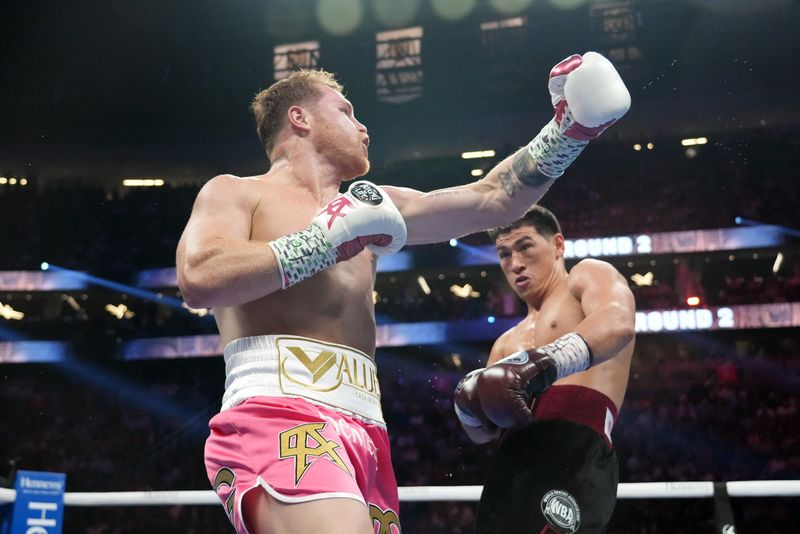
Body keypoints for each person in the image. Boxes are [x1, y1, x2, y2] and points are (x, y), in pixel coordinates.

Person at [176, 51, 630, 534]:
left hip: (367, 428)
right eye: (347, 111)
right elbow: (199, 276)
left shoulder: (373, 205)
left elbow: (492, 198)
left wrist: (569, 131)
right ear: (299, 118)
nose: (363, 126)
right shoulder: (239, 192)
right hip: (277, 409)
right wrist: (320, 242)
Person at [454, 205, 636, 533]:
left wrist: (541, 365)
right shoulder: (505, 343)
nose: (515, 263)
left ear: (558, 245)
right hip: (511, 464)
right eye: (504, 254)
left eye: (525, 247)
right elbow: (485, 435)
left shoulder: (586, 276)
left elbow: (618, 323)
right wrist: (469, 411)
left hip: (575, 449)